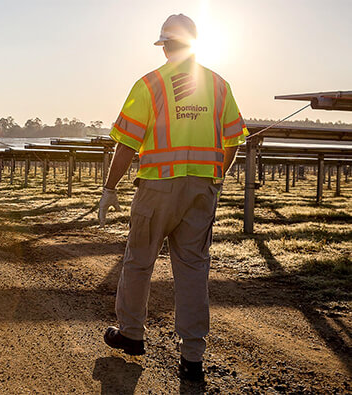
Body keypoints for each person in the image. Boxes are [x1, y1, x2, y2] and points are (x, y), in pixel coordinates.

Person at [98, 14, 248, 382]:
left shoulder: (149, 84)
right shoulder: (219, 85)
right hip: (202, 189)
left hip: (157, 189)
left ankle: (132, 334)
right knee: (194, 268)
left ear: (164, 45)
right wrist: (215, 180)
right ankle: (192, 356)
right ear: (195, 43)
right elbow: (232, 142)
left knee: (138, 262)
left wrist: (109, 188)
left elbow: (126, 143)